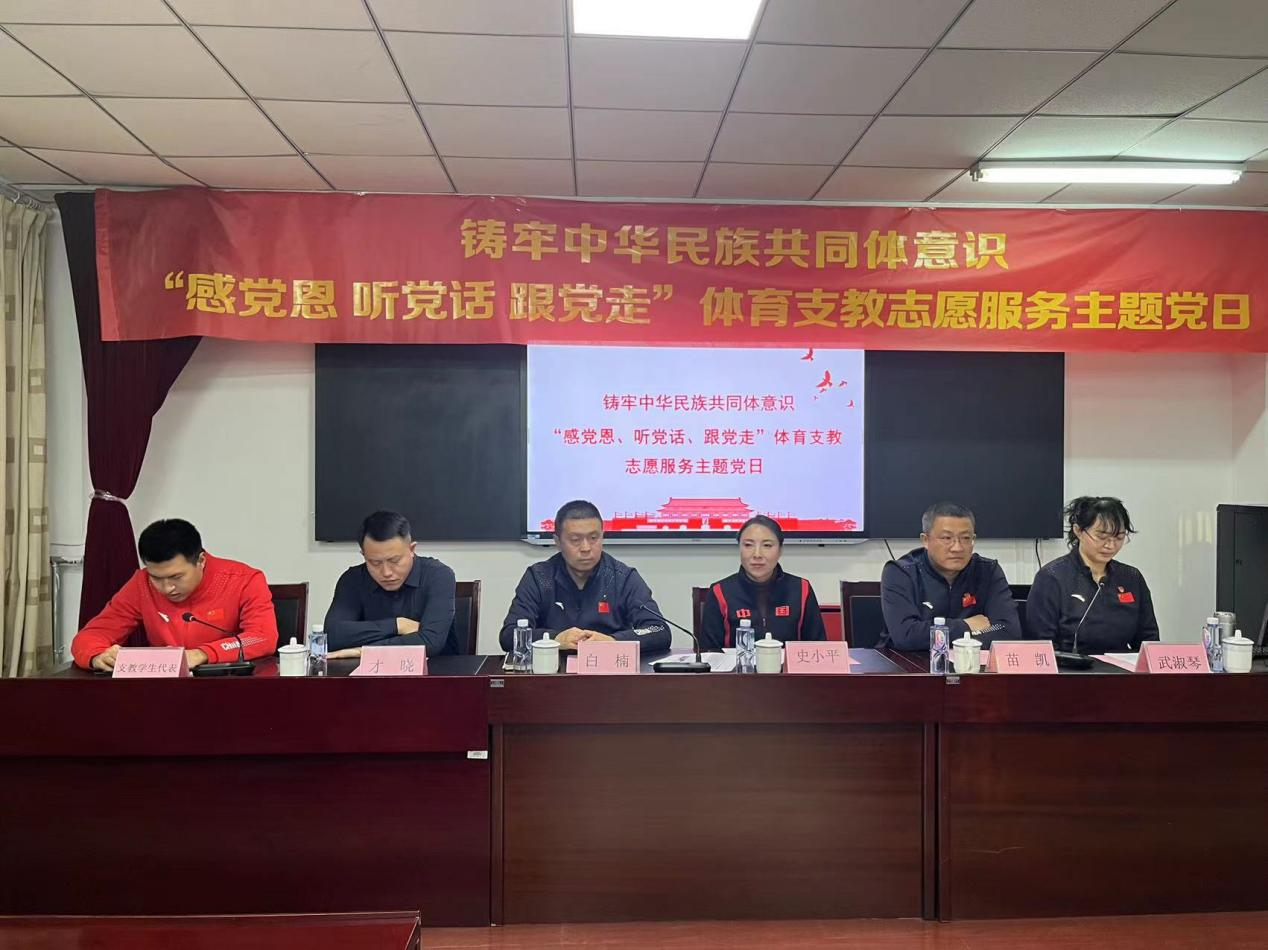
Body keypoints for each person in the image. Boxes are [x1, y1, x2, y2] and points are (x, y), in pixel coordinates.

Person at [71, 518, 278, 671]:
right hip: (162, 691)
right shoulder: (141, 584)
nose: (167, 588)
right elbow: (88, 637)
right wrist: (97, 656)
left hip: (227, 686)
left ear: (201, 561)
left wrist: (202, 654)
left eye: (176, 577)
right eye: (156, 577)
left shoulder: (244, 580)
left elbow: (261, 637)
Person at [499, 499, 671, 653]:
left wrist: (613, 641)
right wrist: (555, 639)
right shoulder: (539, 578)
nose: (586, 548)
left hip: (609, 671)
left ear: (602, 537)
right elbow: (509, 635)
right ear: (557, 542)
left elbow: (659, 630)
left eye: (594, 538)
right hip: (554, 671)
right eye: (575, 540)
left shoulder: (623, 578)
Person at [879, 502, 1021, 650]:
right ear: (925, 540)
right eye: (947, 538)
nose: (957, 547)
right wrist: (966, 626)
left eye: (966, 538)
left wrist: (939, 634)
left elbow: (1008, 631)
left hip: (971, 661)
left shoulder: (987, 571)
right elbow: (906, 635)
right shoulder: (901, 572)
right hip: (908, 662)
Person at [1027, 496, 1159, 653]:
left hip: (1121, 666)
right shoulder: (1052, 577)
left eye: (1119, 537)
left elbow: (1148, 640)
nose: (1110, 545)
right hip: (1070, 666)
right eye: (1101, 537)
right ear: (1078, 531)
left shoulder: (1131, 577)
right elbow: (1042, 646)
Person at [324, 510, 458, 657]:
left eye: (394, 561)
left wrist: (362, 651)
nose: (386, 572)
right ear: (364, 555)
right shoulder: (353, 579)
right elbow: (332, 636)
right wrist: (398, 625)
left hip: (436, 668)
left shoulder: (438, 576)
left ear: (411, 549)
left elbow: (431, 642)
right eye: (375, 563)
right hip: (369, 671)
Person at [700, 515, 826, 650]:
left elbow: (818, 648)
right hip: (736, 664)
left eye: (767, 545)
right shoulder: (720, 592)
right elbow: (709, 652)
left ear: (780, 550)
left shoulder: (802, 589)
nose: (757, 554)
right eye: (748, 545)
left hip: (787, 664)